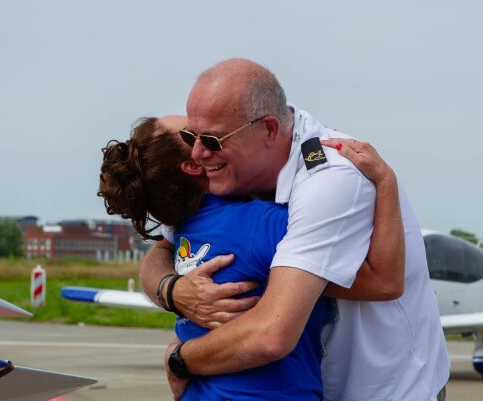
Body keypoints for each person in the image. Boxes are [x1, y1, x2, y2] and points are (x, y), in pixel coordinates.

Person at [140, 59, 450, 401]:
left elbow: (275, 331)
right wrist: (172, 291)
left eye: (212, 139)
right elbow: (159, 252)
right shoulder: (231, 174)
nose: (199, 153)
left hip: (383, 389)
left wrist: (180, 358)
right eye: (191, 136)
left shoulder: (330, 179)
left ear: (270, 130)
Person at [99, 116, 329, 400]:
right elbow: (381, 279)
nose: (206, 132)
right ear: (195, 164)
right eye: (195, 134)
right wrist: (384, 180)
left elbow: (159, 251)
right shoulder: (265, 224)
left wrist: (170, 295)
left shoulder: (185, 226)